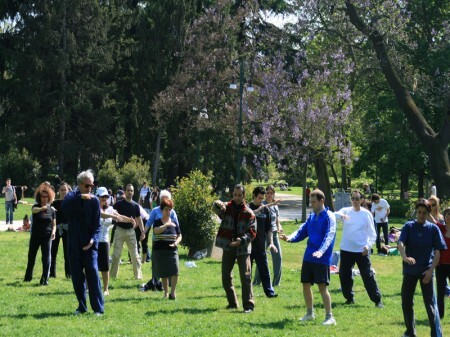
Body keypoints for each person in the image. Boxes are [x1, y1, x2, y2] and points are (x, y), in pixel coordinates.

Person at [280, 189, 337, 325]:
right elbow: (302, 231)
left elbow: (330, 236)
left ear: (321, 201)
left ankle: (330, 317)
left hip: (321, 258)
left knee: (322, 287)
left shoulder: (329, 216)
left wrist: (321, 251)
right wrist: (289, 238)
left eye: (313, 201)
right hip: (309, 256)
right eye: (310, 201)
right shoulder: (312, 216)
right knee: (306, 284)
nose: (311, 204)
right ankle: (310, 313)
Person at [398, 199, 446, 337]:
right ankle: (410, 331)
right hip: (410, 271)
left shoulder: (433, 229)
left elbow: (438, 252)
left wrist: (430, 271)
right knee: (406, 301)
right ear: (416, 212)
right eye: (419, 212)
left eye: (424, 213)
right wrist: (404, 257)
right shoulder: (409, 226)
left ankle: (435, 334)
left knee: (430, 305)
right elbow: (400, 243)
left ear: (428, 213)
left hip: (426, 272)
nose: (421, 215)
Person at [62, 170, 104, 316]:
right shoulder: (71, 197)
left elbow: (98, 225)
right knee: (77, 277)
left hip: (90, 245)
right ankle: (81, 306)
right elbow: (65, 209)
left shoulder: (94, 201)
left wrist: (93, 240)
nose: (90, 189)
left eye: (92, 186)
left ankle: (98, 309)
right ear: (79, 184)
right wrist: (80, 198)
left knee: (92, 273)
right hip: (74, 245)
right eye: (87, 186)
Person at [336, 190, 383, 307]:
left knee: (367, 275)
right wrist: (341, 215)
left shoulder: (366, 214)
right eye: (353, 199)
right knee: (344, 275)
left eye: (357, 199)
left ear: (362, 200)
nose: (355, 201)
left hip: (362, 251)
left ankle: (377, 300)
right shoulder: (345, 211)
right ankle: (349, 298)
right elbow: (333, 215)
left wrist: (368, 246)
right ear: (350, 200)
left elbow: (373, 234)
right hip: (346, 250)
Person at [215, 184, 256, 313]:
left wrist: (241, 240)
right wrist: (217, 203)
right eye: (235, 195)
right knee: (225, 276)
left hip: (243, 249)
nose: (237, 197)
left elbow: (252, 232)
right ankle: (232, 303)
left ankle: (248, 305)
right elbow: (215, 208)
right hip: (228, 247)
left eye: (239, 195)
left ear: (244, 196)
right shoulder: (226, 208)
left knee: (246, 277)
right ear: (232, 194)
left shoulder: (249, 213)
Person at [140, 189, 179, 291]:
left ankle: (169, 284)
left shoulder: (172, 212)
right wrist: (144, 232)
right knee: (157, 262)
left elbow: (176, 226)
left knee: (171, 264)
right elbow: (149, 223)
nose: (164, 201)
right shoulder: (155, 211)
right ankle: (155, 281)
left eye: (166, 199)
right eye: (162, 199)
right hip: (157, 240)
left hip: (170, 241)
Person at [96, 186, 128, 296]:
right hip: (94, 239)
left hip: (105, 240)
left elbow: (119, 216)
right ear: (98, 197)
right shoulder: (94, 208)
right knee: (91, 265)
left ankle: (105, 288)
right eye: (102, 197)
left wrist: (130, 220)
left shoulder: (110, 209)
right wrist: (112, 216)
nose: (104, 199)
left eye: (106, 197)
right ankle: (88, 286)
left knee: (105, 266)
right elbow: (101, 214)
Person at [110, 184, 145, 280]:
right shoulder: (119, 204)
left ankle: (138, 276)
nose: (130, 192)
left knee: (135, 255)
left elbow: (139, 219)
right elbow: (112, 213)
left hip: (131, 232)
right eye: (128, 190)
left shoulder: (135, 205)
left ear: (133, 192)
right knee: (116, 255)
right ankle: (113, 276)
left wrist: (143, 231)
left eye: (131, 190)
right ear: (125, 192)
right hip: (119, 231)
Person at [23, 183, 56, 285]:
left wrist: (53, 233)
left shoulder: (52, 210)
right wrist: (42, 208)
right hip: (35, 236)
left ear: (49, 197)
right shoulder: (36, 207)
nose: (45, 198)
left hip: (47, 236)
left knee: (46, 258)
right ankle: (28, 277)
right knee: (31, 256)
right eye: (43, 196)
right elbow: (33, 211)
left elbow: (54, 224)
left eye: (46, 196)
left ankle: (44, 279)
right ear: (39, 197)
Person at [248, 186, 277, 298]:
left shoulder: (265, 209)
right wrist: (254, 212)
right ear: (254, 196)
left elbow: (269, 228)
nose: (261, 201)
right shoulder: (248, 208)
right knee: (247, 272)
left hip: (260, 246)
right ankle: (248, 294)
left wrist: (270, 242)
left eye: (262, 198)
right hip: (248, 246)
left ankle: (270, 293)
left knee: (264, 270)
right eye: (259, 198)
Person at [152, 198, 182, 299]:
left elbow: (179, 235)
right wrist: (166, 225)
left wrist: (176, 242)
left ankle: (173, 293)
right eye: (166, 209)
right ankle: (165, 293)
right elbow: (156, 231)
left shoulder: (174, 222)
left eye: (170, 209)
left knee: (175, 271)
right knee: (163, 273)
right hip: (160, 250)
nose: (168, 212)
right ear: (162, 210)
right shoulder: (157, 222)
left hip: (172, 250)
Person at [254, 185, 283, 287]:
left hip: (274, 234)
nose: (269, 195)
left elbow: (277, 219)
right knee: (262, 258)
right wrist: (273, 203)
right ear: (265, 194)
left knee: (278, 258)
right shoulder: (263, 203)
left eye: (271, 193)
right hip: (264, 234)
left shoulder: (275, 206)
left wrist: (279, 227)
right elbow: (263, 208)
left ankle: (276, 282)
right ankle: (257, 281)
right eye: (268, 193)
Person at [50, 182, 72, 278]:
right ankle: (52, 274)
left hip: (67, 229)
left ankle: (69, 274)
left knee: (67, 253)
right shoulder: (54, 202)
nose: (63, 191)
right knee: (53, 252)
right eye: (61, 190)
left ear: (68, 191)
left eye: (65, 190)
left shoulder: (70, 202)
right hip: (56, 229)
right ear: (59, 191)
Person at [434, 207, 450, 319]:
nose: (449, 216)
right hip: (440, 266)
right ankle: (440, 315)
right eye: (447, 214)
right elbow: (431, 217)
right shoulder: (440, 228)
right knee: (440, 292)